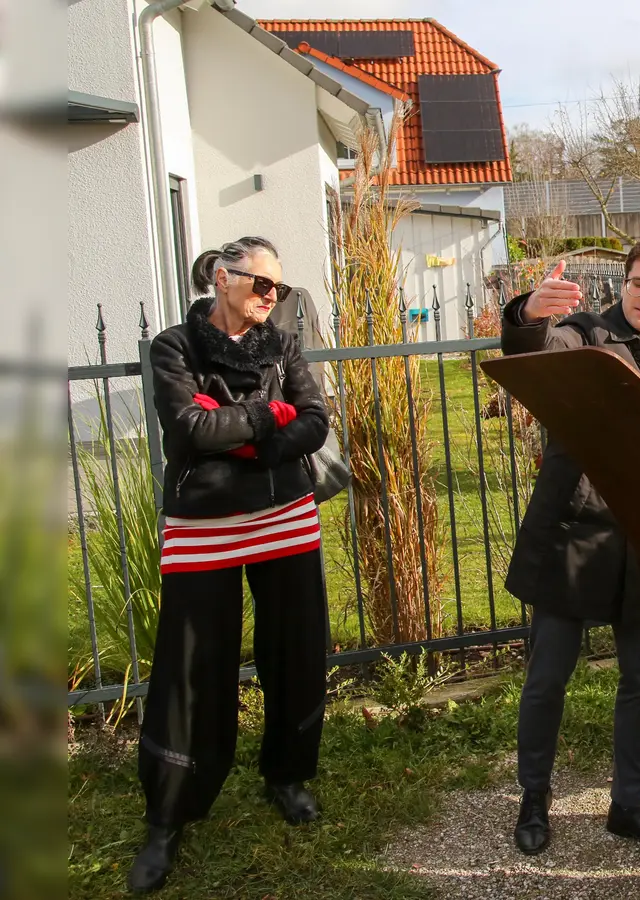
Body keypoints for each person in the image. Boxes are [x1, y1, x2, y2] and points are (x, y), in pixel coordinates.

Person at [130, 237, 332, 893]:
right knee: (191, 668)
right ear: (222, 277)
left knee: (295, 651)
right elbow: (189, 428)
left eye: (280, 289)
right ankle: (169, 814)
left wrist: (247, 436)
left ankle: (287, 775)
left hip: (285, 514)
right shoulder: (173, 348)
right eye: (262, 285)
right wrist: (268, 419)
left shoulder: (284, 345)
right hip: (203, 523)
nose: (272, 299)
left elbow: (314, 423)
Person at [501, 237, 640, 857]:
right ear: (624, 285)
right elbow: (535, 359)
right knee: (548, 677)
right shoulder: (583, 335)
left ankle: (629, 804)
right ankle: (535, 797)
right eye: (639, 283)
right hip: (575, 529)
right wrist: (528, 316)